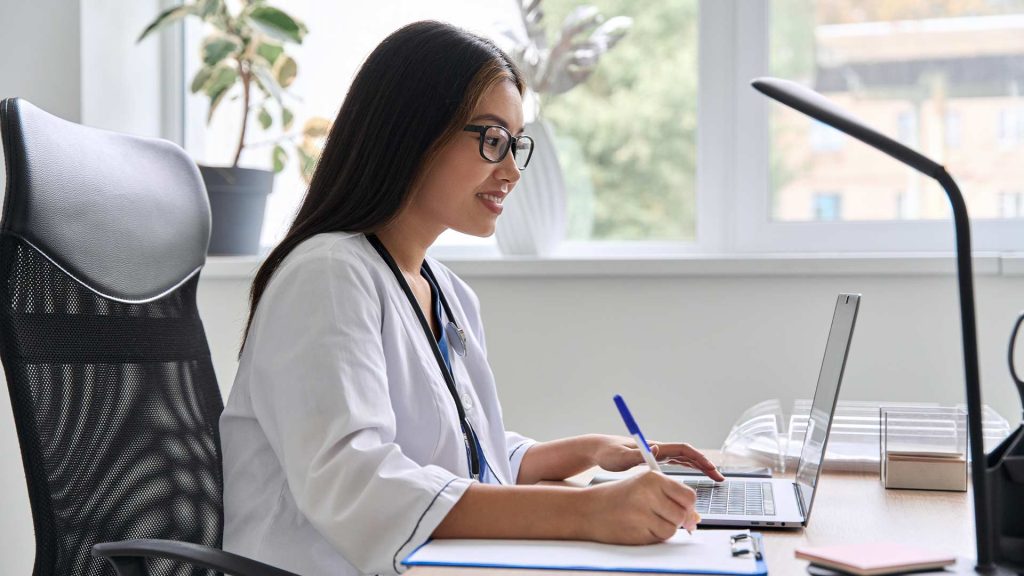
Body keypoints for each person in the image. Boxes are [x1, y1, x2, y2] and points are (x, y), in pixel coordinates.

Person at [220, 20, 725, 576]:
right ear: (412, 132)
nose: (510, 170)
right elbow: (358, 484)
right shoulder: (326, 278)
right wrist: (585, 510)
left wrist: (588, 451)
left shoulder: (443, 287)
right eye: (491, 139)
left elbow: (462, 453)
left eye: (516, 144)